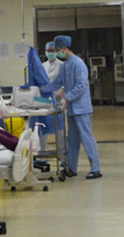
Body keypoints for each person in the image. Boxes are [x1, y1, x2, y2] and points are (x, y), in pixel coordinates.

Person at [42, 35, 102, 179]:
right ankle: (71, 168)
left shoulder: (78, 64)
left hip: (82, 109)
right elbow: (57, 83)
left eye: (58, 49)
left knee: (87, 138)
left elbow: (81, 85)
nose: (57, 52)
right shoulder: (65, 66)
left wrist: (67, 98)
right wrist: (40, 89)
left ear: (65, 48)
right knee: (72, 140)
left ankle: (96, 169)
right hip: (71, 110)